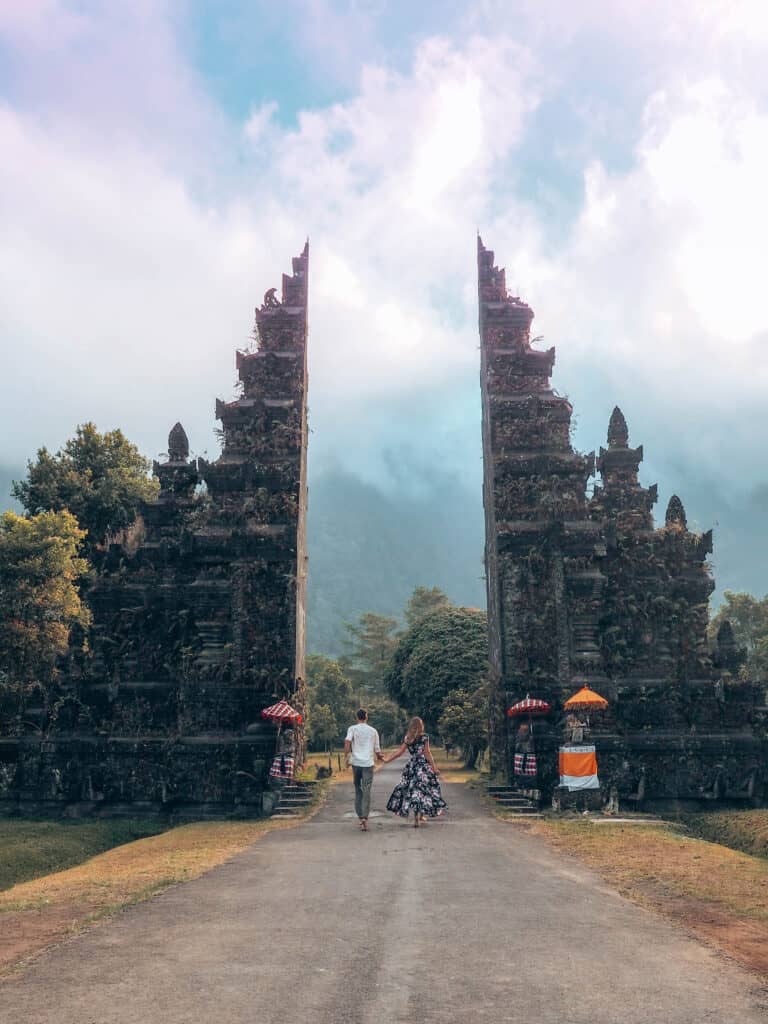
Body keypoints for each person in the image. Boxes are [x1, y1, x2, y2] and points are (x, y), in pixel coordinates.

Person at [382, 716, 447, 827]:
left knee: (412, 791)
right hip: (423, 766)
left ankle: (417, 817)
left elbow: (399, 752)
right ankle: (421, 815)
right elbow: (427, 753)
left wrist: (387, 760)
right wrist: (434, 767)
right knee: (423, 790)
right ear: (421, 726)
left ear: (411, 726)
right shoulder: (424, 737)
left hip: (412, 766)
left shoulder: (408, 738)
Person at [344, 708, 383, 832]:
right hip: (368, 764)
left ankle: (360, 817)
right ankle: (365, 818)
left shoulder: (352, 729)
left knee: (358, 789)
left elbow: (347, 741)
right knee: (367, 790)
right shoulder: (373, 731)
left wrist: (346, 756)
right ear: (366, 717)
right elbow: (377, 749)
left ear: (357, 717)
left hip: (356, 763)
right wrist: (382, 758)